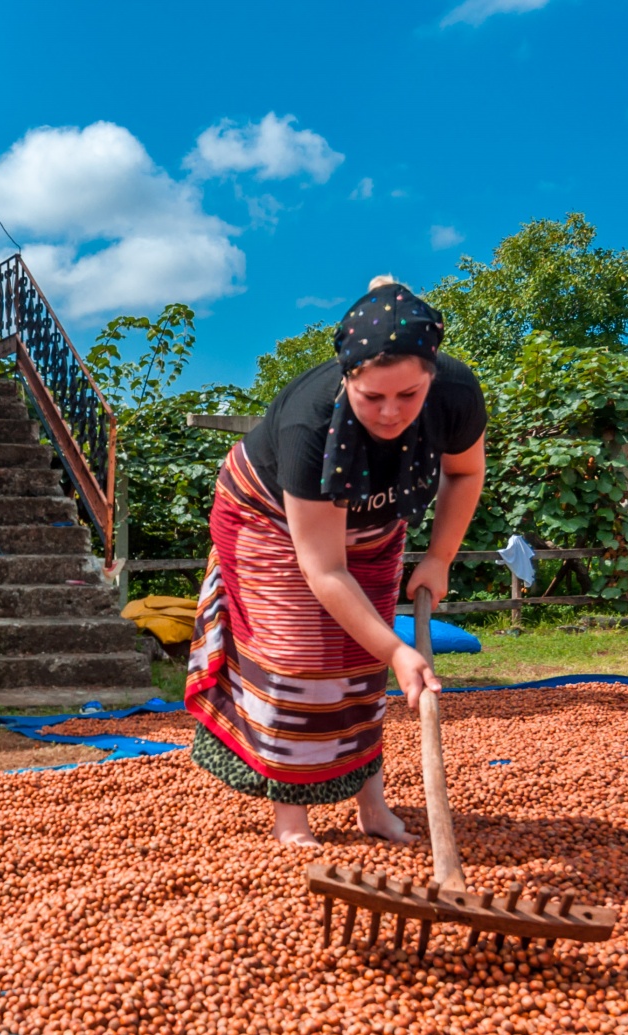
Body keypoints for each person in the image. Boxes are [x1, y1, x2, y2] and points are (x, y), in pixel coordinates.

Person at [186, 278, 486, 847]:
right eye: (372, 397)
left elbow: (465, 471)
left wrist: (440, 558)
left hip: (375, 516)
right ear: (347, 376)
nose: (391, 413)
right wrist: (399, 647)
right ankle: (291, 819)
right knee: (300, 659)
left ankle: (370, 807)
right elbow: (323, 569)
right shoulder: (310, 424)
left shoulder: (455, 393)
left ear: (432, 375)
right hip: (268, 515)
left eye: (409, 395)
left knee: (360, 663)